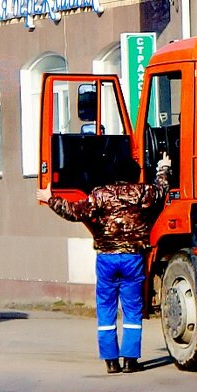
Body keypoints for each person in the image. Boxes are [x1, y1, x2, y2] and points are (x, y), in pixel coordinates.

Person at [36, 153, 171, 374]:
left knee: (106, 308)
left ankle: (110, 361)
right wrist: (163, 167)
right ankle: (130, 359)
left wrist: (50, 198)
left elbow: (74, 212)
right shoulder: (143, 192)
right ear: (134, 174)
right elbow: (161, 188)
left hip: (107, 258)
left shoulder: (100, 194)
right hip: (132, 258)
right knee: (132, 309)